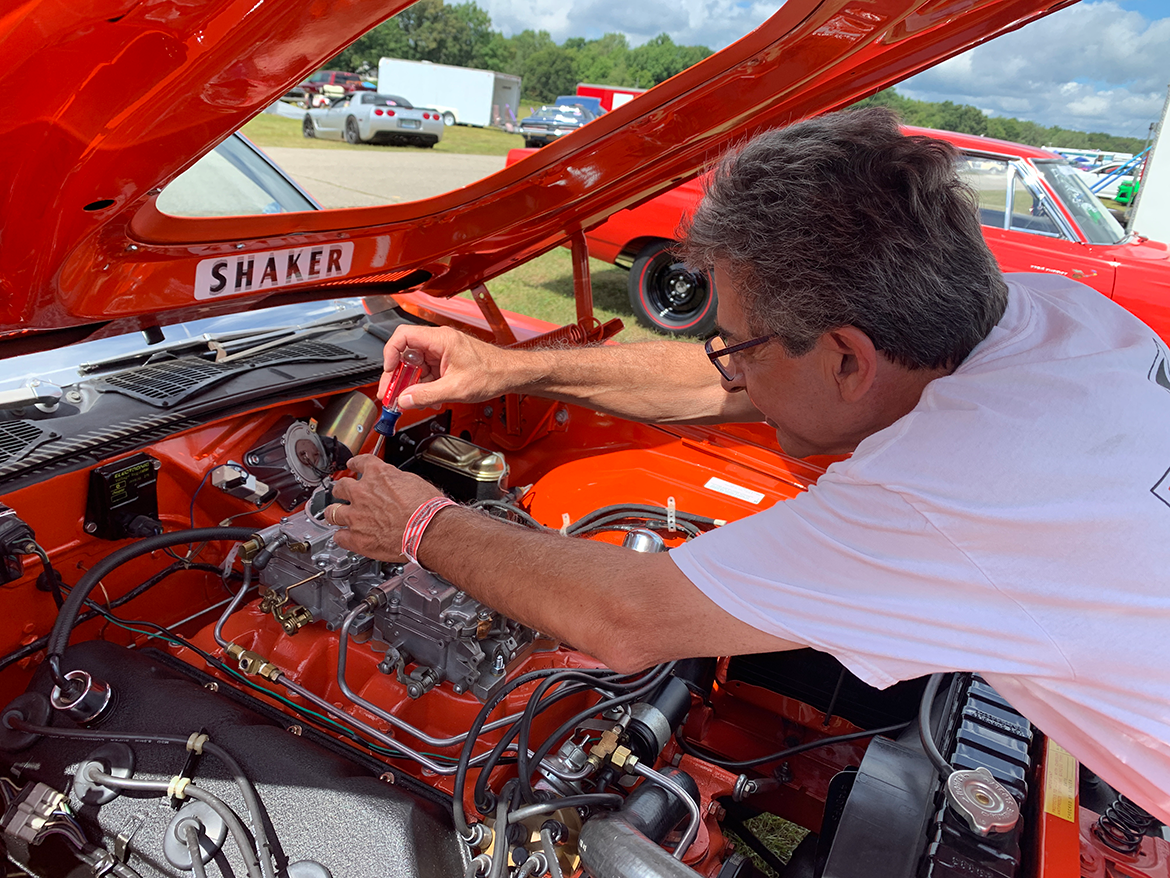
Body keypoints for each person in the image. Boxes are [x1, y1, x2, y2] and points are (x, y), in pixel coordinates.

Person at [330, 108, 1170, 821]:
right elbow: (745, 385)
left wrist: (417, 522)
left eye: (736, 342)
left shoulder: (953, 491)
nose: (724, 364)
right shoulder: (1054, 316)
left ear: (846, 359)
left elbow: (631, 618)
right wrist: (512, 367)